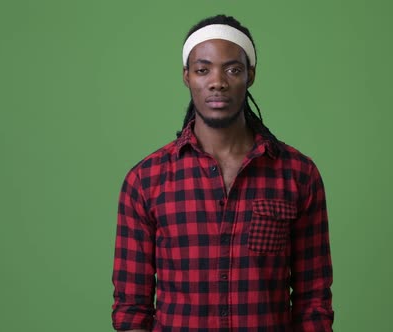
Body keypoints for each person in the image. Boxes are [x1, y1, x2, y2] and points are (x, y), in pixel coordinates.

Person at [111, 14, 334, 331]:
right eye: (203, 70)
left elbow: (314, 303)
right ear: (187, 76)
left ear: (250, 75)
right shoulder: (146, 180)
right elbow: (131, 310)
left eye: (233, 69)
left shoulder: (297, 174)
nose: (218, 81)